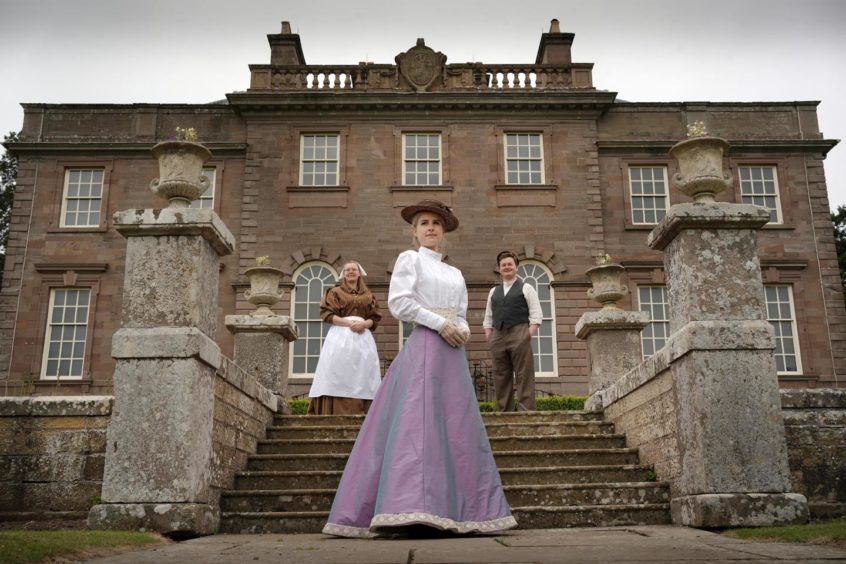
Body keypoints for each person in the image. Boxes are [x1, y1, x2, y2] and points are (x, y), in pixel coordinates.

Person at [323, 199, 516, 538]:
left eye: (436, 224)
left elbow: (460, 310)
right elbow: (400, 303)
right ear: (414, 231)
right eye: (424, 223)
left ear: (443, 232)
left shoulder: (454, 272)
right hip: (426, 344)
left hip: (452, 352)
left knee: (455, 427)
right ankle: (409, 506)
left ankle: (458, 509)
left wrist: (464, 329)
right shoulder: (409, 259)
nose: (430, 228)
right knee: (418, 424)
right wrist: (439, 324)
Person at [307, 260, 382, 415]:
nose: (351, 272)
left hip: (363, 339)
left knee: (363, 373)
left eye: (354, 269)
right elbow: (326, 314)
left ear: (359, 273)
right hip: (340, 337)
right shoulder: (334, 292)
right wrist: (348, 323)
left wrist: (363, 325)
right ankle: (334, 410)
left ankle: (365, 410)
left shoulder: (369, 295)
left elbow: (374, 318)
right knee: (338, 371)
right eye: (347, 270)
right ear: (343, 274)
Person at [483, 250, 543, 412]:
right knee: (500, 375)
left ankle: (526, 412)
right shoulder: (493, 292)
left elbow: (536, 315)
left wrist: (527, 334)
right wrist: (490, 335)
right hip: (497, 335)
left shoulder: (527, 288)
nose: (507, 267)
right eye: (503, 265)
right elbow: (488, 316)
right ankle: (504, 412)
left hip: (520, 332)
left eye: (510, 264)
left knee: (524, 374)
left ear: (516, 267)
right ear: (499, 268)